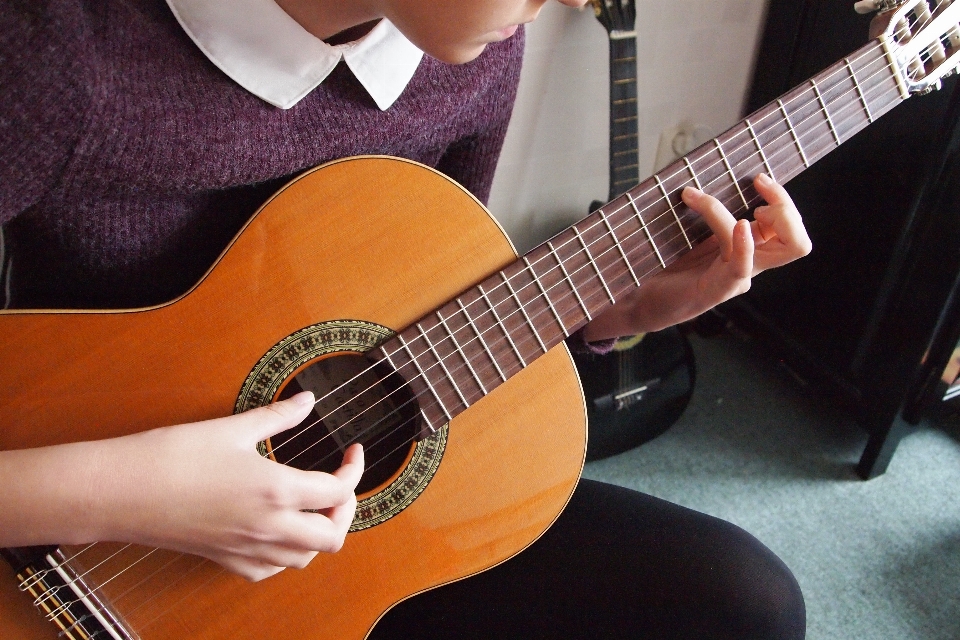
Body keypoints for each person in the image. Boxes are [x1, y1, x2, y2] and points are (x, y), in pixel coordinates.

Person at [0, 0, 811, 637]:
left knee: (742, 600)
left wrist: (624, 307)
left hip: (343, 545)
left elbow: (432, 311)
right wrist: (127, 496)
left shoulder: (473, 54)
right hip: (61, 540)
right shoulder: (50, 54)